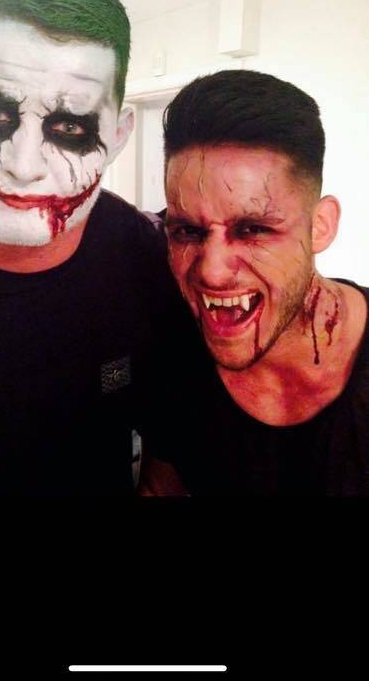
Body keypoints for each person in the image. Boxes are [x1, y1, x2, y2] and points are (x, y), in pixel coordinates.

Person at [0, 0, 191, 496]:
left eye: (69, 128)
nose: (24, 166)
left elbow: (172, 416)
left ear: (118, 136)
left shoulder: (151, 259)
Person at [141, 69, 369, 495]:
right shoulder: (176, 354)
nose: (211, 271)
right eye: (188, 231)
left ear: (320, 226)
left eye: (253, 229)